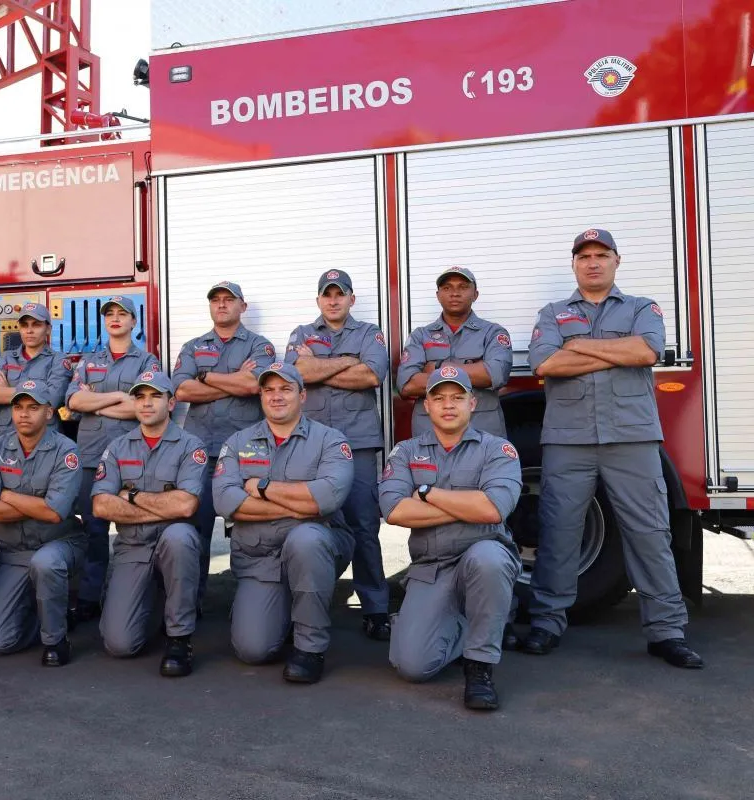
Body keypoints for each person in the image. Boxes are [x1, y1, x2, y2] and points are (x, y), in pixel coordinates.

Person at [522, 228, 702, 668]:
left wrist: (579, 345)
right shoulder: (553, 312)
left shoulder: (642, 307)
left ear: (616, 261)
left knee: (650, 532)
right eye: (584, 256)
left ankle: (666, 632)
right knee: (559, 531)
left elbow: (647, 351)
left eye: (602, 254)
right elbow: (545, 362)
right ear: (575, 265)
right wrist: (613, 350)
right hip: (569, 439)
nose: (593, 262)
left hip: (632, 438)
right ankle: (547, 621)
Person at [378, 366, 523, 710]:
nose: (448, 405)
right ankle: (470, 623)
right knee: (413, 666)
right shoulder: (405, 452)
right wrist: (467, 504)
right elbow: (394, 511)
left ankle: (480, 667)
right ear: (425, 405)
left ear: (473, 403)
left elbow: (493, 510)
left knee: (489, 559)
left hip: (479, 556)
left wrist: (426, 493)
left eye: (457, 397)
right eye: (439, 398)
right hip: (432, 567)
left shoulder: (497, 450)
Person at [212, 362, 355, 684]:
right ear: (261, 396)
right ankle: (280, 608)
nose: (276, 397)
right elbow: (225, 503)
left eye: (286, 389)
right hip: (260, 555)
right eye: (269, 390)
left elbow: (327, 500)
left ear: (302, 395)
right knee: (253, 650)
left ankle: (310, 647)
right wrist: (301, 505)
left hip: (314, 548)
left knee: (307, 540)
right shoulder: (238, 442)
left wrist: (261, 488)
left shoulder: (330, 441)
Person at [284, 268, 392, 640]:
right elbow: (296, 374)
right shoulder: (301, 334)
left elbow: (372, 375)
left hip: (358, 442)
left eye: (340, 293)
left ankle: (376, 608)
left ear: (351, 299)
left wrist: (318, 367)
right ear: (318, 300)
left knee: (364, 523)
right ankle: (304, 604)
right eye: (327, 294)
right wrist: (348, 360)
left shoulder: (370, 333)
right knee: (306, 521)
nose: (333, 300)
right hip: (311, 444)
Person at [92, 371, 208, 676]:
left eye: (155, 396)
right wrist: (161, 507)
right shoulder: (118, 447)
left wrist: (130, 496)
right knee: (120, 645)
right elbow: (101, 505)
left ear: (170, 404)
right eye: (140, 397)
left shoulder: (190, 446)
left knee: (180, 537)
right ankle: (157, 600)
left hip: (172, 543)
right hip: (133, 546)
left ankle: (179, 638)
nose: (146, 404)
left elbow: (186, 506)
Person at [171, 281, 276, 607]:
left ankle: (251, 605)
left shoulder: (261, 346)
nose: (221, 305)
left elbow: (253, 386)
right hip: (200, 452)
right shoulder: (193, 346)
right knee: (194, 529)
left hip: (246, 454)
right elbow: (182, 391)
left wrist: (206, 376)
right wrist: (233, 379)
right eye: (215, 300)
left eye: (228, 300)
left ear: (242, 307)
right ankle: (192, 604)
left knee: (251, 532)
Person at [0, 381, 86, 666]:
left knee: (46, 564)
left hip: (57, 544)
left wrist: (7, 494)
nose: (24, 414)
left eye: (33, 407)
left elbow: (54, 513)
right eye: (18, 407)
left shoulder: (66, 451)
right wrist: (36, 504)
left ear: (49, 413)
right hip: (14, 554)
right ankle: (46, 615)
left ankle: (56, 640)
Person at [64, 296, 160, 621]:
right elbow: (74, 400)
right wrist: (120, 396)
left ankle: (139, 594)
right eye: (111, 314)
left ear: (134, 322)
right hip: (91, 455)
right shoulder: (89, 362)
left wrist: (98, 402)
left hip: (132, 455)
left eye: (123, 314)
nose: (116, 319)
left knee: (140, 527)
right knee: (93, 528)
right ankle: (90, 596)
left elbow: (144, 406)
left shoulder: (147, 362)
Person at [397, 267, 513, 438]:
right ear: (438, 296)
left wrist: (439, 366)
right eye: (447, 288)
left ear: (475, 294)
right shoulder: (420, 335)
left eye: (463, 287)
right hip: (430, 435)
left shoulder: (493, 333)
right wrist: (474, 369)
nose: (454, 293)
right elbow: (407, 385)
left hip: (482, 432)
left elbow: (495, 374)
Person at [0, 301, 73, 438]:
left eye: (36, 324)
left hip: (45, 439)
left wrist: (7, 390)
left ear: (48, 329)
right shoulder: (7, 358)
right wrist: (37, 393)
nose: (29, 330)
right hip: (7, 438)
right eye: (25, 325)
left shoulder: (59, 361)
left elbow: (53, 398)